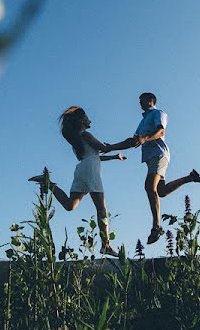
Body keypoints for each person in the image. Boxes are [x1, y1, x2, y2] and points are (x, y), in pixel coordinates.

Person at [29, 106, 139, 257]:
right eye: (87, 117)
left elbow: (94, 156)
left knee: (70, 205)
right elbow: (103, 148)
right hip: (91, 171)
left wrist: (115, 157)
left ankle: (50, 184)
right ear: (81, 120)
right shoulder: (85, 135)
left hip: (82, 169)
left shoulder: (76, 142)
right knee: (101, 208)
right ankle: (105, 244)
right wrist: (127, 144)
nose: (90, 120)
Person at [133, 92, 200, 244]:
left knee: (149, 187)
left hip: (158, 155)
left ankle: (156, 227)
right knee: (161, 191)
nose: (139, 102)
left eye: (142, 100)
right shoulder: (142, 122)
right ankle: (190, 177)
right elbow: (133, 141)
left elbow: (161, 131)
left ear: (151, 100)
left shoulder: (158, 113)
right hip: (152, 158)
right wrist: (111, 148)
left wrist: (145, 138)